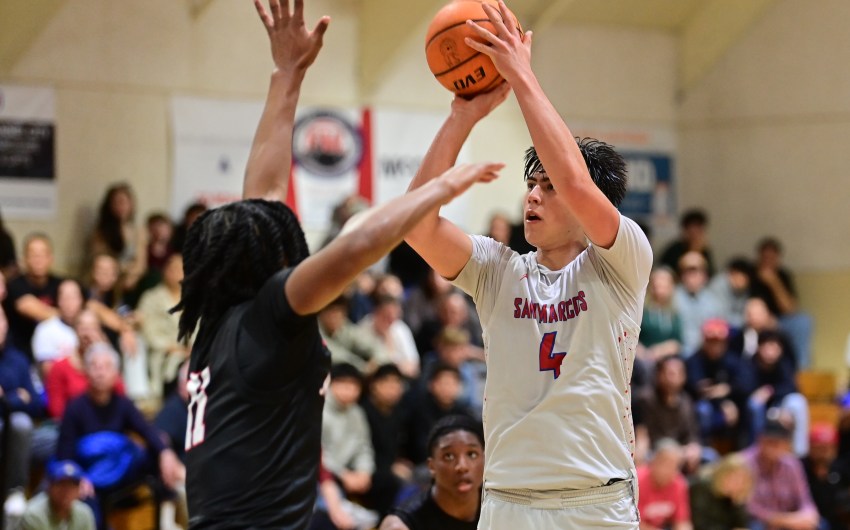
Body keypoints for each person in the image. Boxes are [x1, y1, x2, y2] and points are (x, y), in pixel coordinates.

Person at [176, 2, 503, 528]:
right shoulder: (268, 314)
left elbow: (263, 193)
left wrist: (287, 74)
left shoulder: (220, 323)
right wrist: (438, 189)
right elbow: (356, 247)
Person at [403, 3, 651, 526]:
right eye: (531, 185)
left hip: (596, 502)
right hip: (508, 501)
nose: (533, 197)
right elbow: (416, 225)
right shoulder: (498, 270)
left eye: (549, 187)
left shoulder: (623, 259)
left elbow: (578, 181)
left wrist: (520, 75)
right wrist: (461, 117)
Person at [380, 414, 484, 530]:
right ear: (431, 466)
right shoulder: (400, 525)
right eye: (449, 456)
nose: (462, 466)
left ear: (485, 459)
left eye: (472, 454)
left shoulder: (498, 505)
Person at [744, 419, 822, 530]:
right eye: (770, 442)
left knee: (820, 525)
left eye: (778, 443)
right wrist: (780, 520)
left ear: (786, 445)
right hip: (760, 522)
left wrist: (809, 516)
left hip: (789, 521)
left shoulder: (792, 464)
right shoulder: (744, 463)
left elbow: (805, 501)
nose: (773, 447)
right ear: (760, 440)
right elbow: (747, 507)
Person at [2, 232, 64, 360]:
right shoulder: (14, 285)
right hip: (21, 351)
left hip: (57, 350)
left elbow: (87, 305)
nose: (38, 259)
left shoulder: (61, 284)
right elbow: (30, 308)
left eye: (42, 254)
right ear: (24, 259)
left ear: (50, 258)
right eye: (33, 255)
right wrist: (68, 316)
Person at [20, 460, 96, 530]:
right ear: (50, 487)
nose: (66, 491)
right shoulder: (34, 514)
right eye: (62, 484)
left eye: (71, 486)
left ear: (79, 490)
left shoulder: (84, 514)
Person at [635, 439, 692, 530]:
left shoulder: (679, 483)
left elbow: (682, 521)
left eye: (673, 465)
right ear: (654, 461)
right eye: (664, 463)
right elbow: (632, 523)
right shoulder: (637, 480)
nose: (667, 470)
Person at [688, 452, 753, 530]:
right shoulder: (701, 488)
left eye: (742, 480)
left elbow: (741, 526)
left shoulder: (735, 497)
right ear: (722, 473)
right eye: (734, 477)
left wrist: (737, 503)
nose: (738, 483)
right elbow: (699, 525)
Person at [658, 208, 716, 277]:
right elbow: (664, 271)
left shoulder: (704, 250)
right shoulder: (673, 251)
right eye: (692, 231)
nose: (695, 234)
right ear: (685, 230)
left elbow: (711, 274)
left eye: (699, 230)